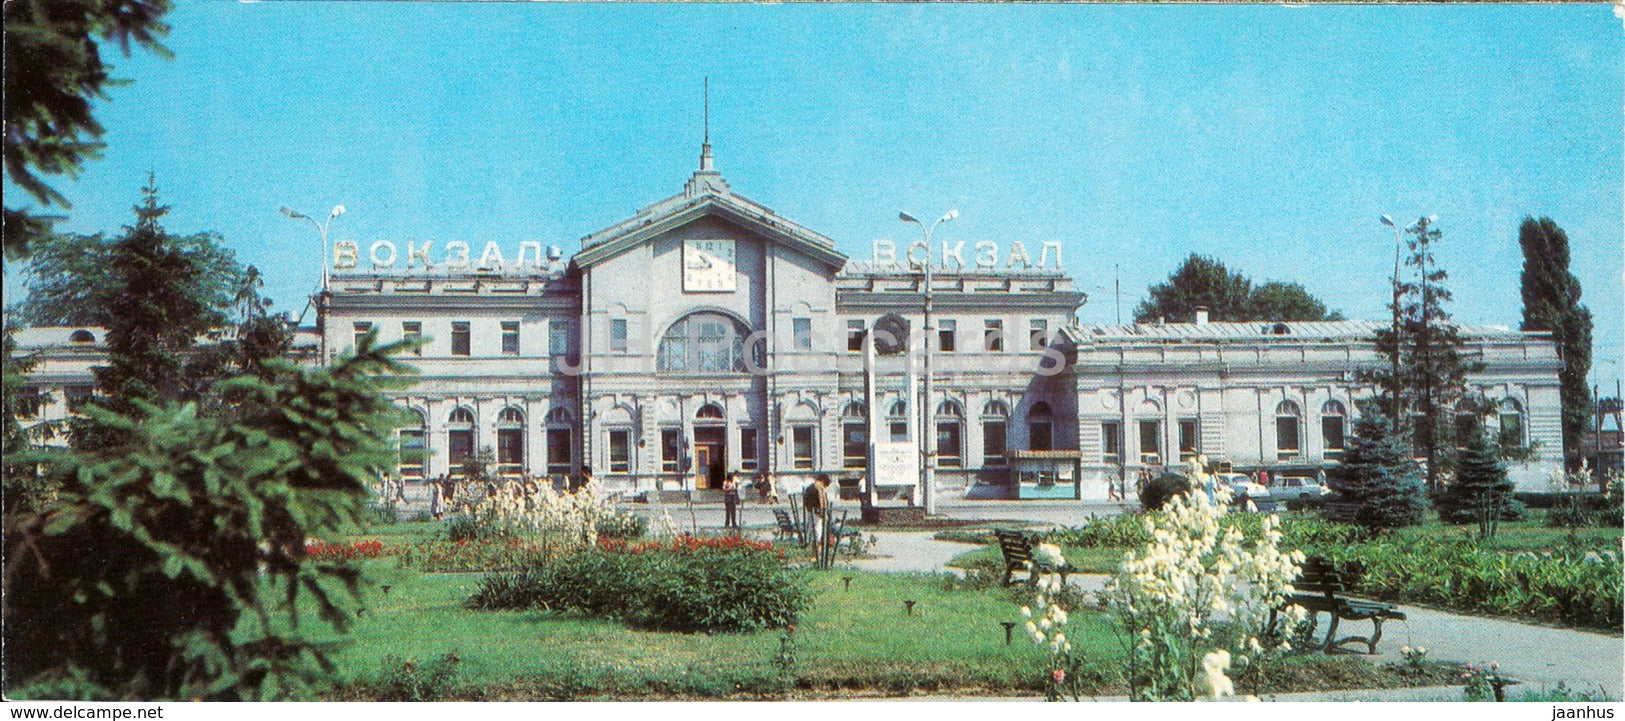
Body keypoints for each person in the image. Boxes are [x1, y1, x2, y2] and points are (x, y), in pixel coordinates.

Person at [802, 474, 832, 553]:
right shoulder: (818, 488)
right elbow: (820, 502)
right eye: (825, 485)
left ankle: (816, 552)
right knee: (817, 534)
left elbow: (806, 501)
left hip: (812, 513)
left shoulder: (810, 487)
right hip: (816, 514)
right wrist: (821, 512)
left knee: (816, 533)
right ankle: (816, 553)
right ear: (822, 481)